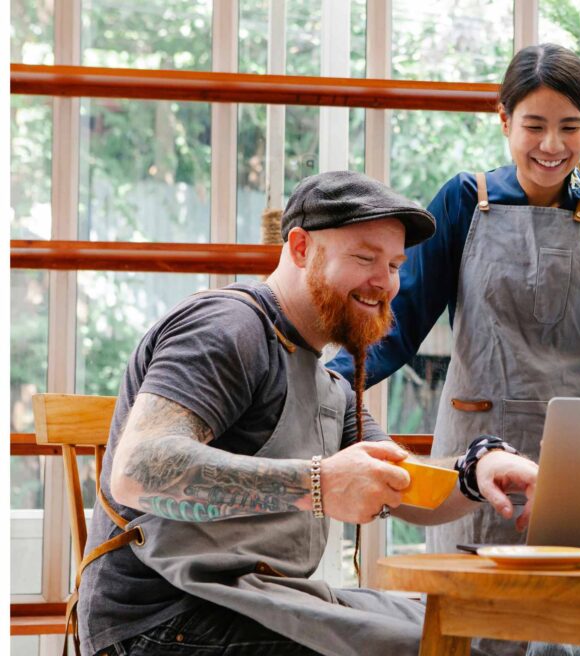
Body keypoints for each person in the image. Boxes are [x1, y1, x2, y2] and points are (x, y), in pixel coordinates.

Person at [77, 171, 538, 656]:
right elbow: (139, 470)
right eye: (365, 258)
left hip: (260, 601)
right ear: (300, 248)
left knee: (480, 634)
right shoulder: (228, 328)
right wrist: (319, 485)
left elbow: (404, 487)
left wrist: (476, 469)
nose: (385, 283)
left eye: (396, 264)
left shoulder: (328, 382)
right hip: (161, 622)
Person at [328, 43, 580, 556]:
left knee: (572, 620)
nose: (552, 144)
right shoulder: (463, 200)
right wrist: (328, 381)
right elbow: (399, 325)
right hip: (473, 447)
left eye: (570, 126)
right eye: (534, 125)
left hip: (576, 447)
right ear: (504, 121)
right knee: (470, 617)